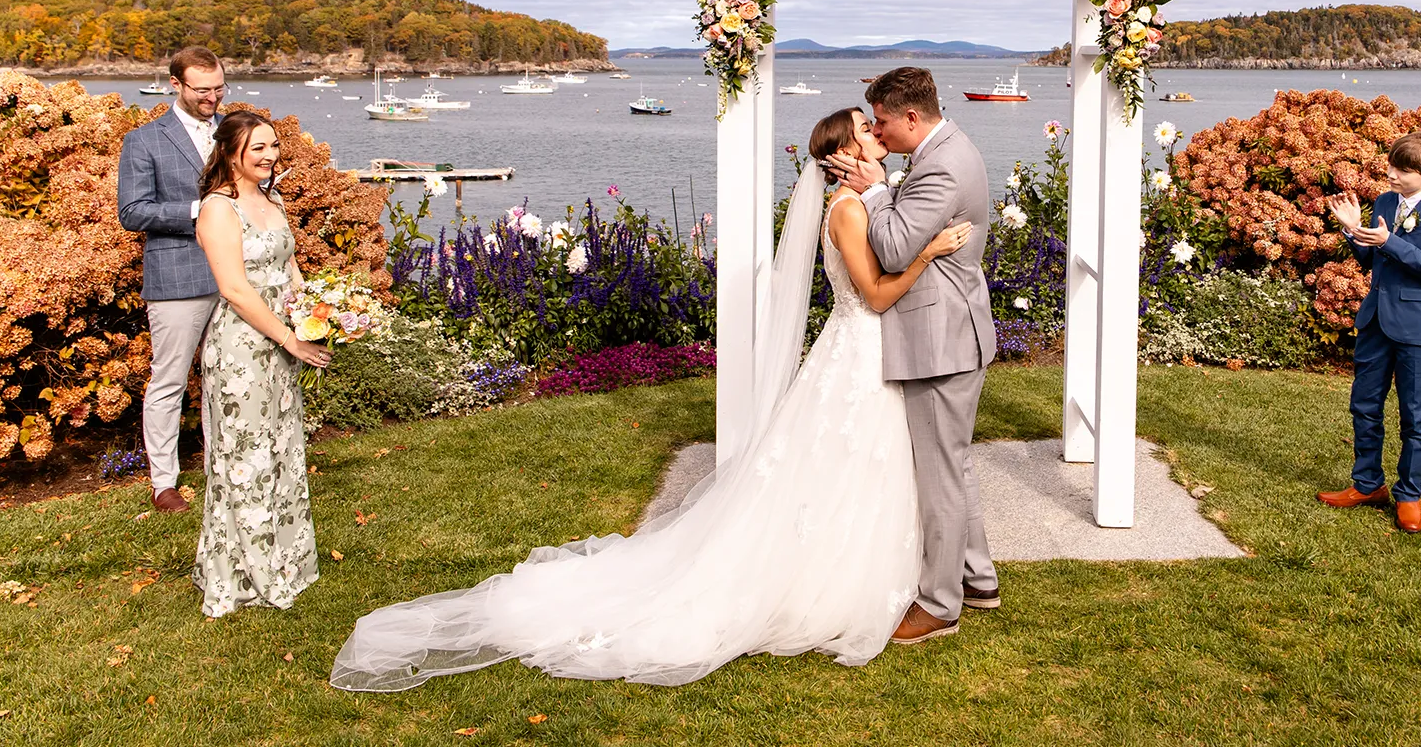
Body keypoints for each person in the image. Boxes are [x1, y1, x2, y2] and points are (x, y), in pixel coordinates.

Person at [329, 107, 970, 689]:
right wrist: (931, 252)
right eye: (865, 128)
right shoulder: (850, 209)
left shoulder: (860, 201)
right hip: (859, 351)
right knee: (847, 464)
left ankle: (883, 569)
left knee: (855, 468)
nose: (877, 132)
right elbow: (879, 295)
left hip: (862, 354)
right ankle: (836, 580)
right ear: (842, 152)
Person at [824, 66, 1000, 645]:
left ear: (910, 118)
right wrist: (888, 189)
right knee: (954, 465)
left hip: (940, 339)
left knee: (939, 476)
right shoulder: (944, 150)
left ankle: (939, 605)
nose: (877, 132)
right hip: (950, 331)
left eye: (880, 121)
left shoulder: (942, 163)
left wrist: (875, 190)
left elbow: (897, 248)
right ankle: (977, 580)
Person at [192, 111, 330, 617]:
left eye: (274, 146)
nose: (270, 156)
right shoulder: (217, 209)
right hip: (242, 349)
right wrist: (289, 339)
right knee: (244, 456)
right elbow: (233, 288)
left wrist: (322, 312)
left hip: (283, 339)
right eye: (258, 149)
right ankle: (244, 573)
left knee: (281, 448)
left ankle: (288, 560)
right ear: (232, 154)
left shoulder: (272, 199)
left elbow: (289, 268)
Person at [1319, 129, 1421, 534]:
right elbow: (1369, 260)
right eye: (1391, 166)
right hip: (1376, 321)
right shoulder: (1383, 201)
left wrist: (1388, 241)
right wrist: (1352, 229)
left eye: (1402, 170)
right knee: (1364, 405)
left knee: (1414, 417)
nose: (1392, 175)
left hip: (1418, 329)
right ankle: (1367, 485)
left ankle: (1409, 496)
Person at [116, 46, 226, 512]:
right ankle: (164, 482)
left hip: (236, 275)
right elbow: (132, 212)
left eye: (219, 88)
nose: (213, 98)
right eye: (203, 90)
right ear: (175, 85)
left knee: (227, 377)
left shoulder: (234, 130)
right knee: (170, 381)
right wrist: (197, 211)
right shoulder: (143, 140)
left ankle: (226, 469)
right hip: (177, 274)